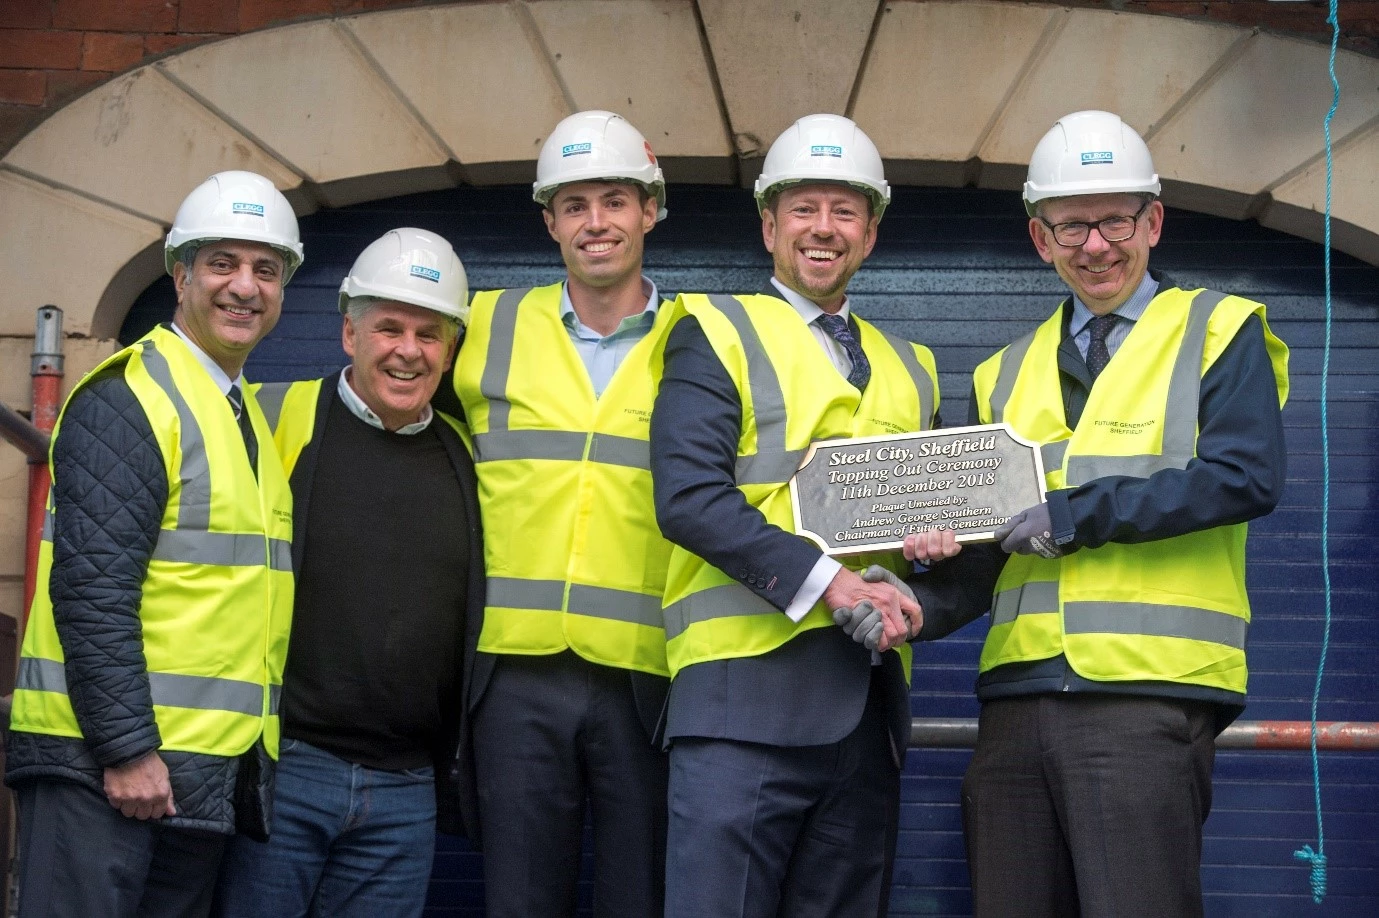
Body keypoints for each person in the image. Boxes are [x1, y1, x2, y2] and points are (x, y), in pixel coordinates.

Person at [908, 110, 1290, 917]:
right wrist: (914, 596)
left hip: (1145, 697)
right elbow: (986, 556)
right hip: (1015, 701)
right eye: (1070, 225)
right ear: (1038, 239)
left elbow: (1244, 478)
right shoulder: (998, 375)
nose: (1095, 245)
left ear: (1152, 222)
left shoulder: (1216, 331)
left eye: (1115, 219)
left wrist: (1076, 513)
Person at [650, 113, 939, 918]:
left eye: (843, 211)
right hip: (740, 713)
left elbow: (921, 517)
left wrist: (930, 557)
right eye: (802, 208)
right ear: (769, 224)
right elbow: (688, 499)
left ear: (870, 232)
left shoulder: (911, 366)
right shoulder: (713, 330)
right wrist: (835, 587)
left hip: (867, 713)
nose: (823, 229)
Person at [5, 170, 302, 917]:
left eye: (266, 269)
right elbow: (93, 590)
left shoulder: (239, 415)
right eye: (222, 264)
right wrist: (127, 749)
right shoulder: (131, 397)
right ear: (180, 274)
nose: (245, 287)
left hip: (186, 779)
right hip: (106, 774)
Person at [212, 228, 482, 917]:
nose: (407, 350)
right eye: (388, 327)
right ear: (348, 334)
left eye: (429, 334)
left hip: (405, 788)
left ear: (449, 351)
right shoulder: (271, 417)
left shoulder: (471, 457)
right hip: (286, 767)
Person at [451, 110, 676, 918]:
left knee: (638, 900)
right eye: (574, 205)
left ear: (649, 210)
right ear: (549, 221)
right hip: (512, 676)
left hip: (647, 675)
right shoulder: (482, 324)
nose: (596, 223)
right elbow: (382, 390)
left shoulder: (702, 336)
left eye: (614, 200)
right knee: (518, 900)